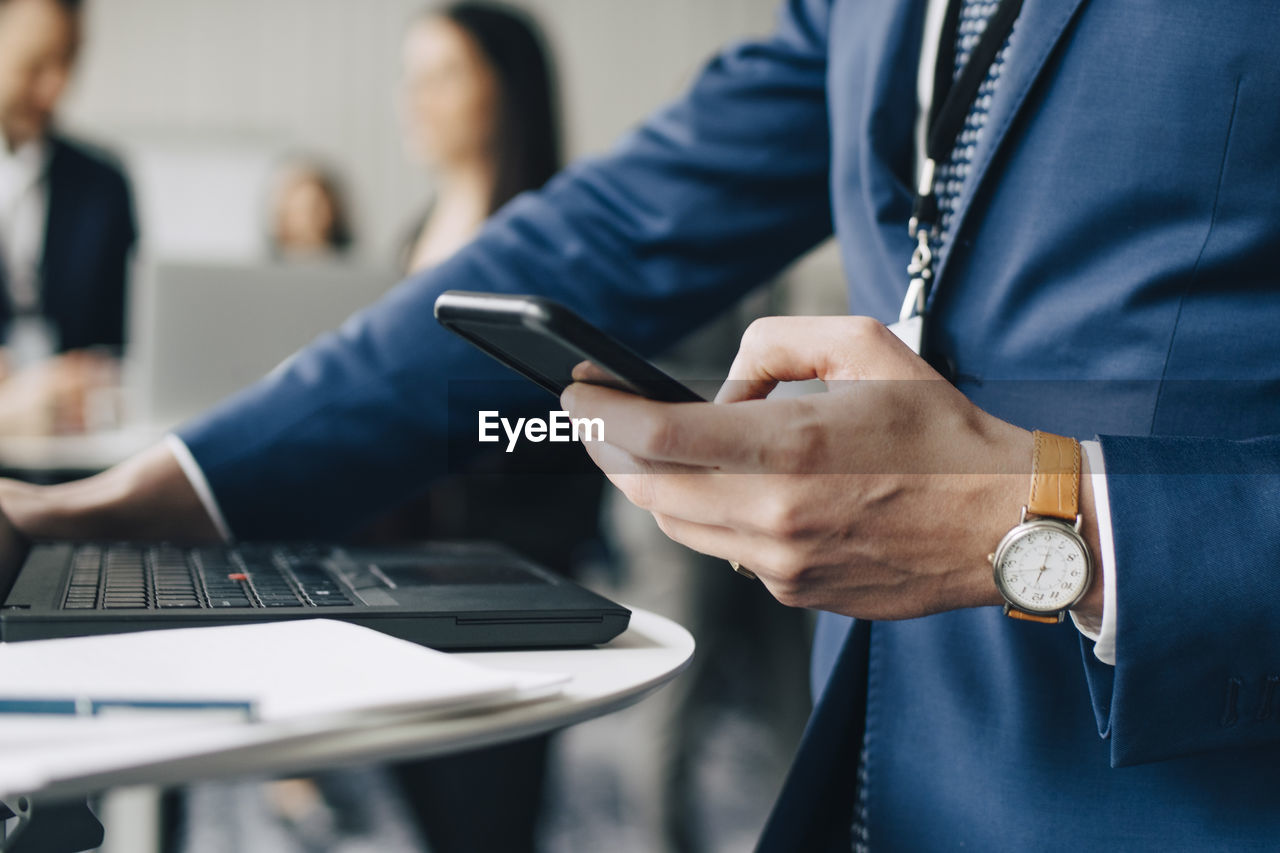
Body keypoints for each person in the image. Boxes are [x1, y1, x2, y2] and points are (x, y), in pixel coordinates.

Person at [2, 0, 1279, 849]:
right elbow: (609, 230)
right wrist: (166, 487)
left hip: (1185, 790)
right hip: (872, 775)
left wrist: (1054, 517)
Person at [0, 0, 136, 431]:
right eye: (36, 64)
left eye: (69, 61)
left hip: (78, 441)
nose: (55, 86)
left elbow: (128, 334)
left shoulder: (104, 183)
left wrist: (95, 376)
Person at [268, 159, 354, 258]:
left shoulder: (352, 263)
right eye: (299, 210)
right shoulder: (264, 266)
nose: (308, 218)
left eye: (315, 208)